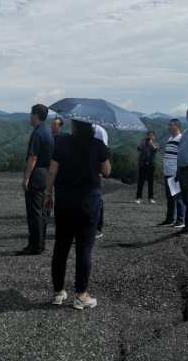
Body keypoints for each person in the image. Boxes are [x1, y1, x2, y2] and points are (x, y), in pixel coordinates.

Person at [45, 120, 110, 310]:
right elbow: (107, 171)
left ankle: (58, 292)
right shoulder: (98, 145)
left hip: (64, 202)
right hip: (88, 203)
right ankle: (81, 296)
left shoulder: (62, 142)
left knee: (61, 247)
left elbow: (52, 170)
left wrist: (48, 194)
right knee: (84, 249)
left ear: (73, 126)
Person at [16, 104, 54, 256]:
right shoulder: (48, 131)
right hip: (45, 173)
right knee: (42, 211)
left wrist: (26, 178)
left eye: (31, 114)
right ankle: (41, 243)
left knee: (34, 212)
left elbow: (33, 157)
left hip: (36, 174)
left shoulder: (37, 133)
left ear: (36, 115)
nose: (29, 117)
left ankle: (35, 246)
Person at [157, 119, 185, 228]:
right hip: (167, 171)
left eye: (170, 125)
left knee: (177, 196)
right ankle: (169, 219)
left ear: (177, 126)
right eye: (168, 125)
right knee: (169, 197)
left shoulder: (181, 138)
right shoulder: (170, 138)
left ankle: (180, 220)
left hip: (174, 172)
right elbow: (168, 155)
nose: (168, 127)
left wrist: (179, 170)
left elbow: (181, 156)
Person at [92, 124, 109, 239]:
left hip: (95, 168)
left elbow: (104, 152)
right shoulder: (82, 127)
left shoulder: (99, 131)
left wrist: (100, 170)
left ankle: (98, 227)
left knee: (97, 199)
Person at [135, 131, 158, 204]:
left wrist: (151, 143)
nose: (150, 137)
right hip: (142, 164)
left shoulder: (156, 143)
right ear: (146, 136)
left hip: (151, 164)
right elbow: (138, 148)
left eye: (151, 135)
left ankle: (150, 198)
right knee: (140, 182)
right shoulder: (143, 142)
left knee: (150, 182)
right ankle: (138, 197)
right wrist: (142, 143)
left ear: (154, 137)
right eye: (149, 135)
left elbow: (156, 150)